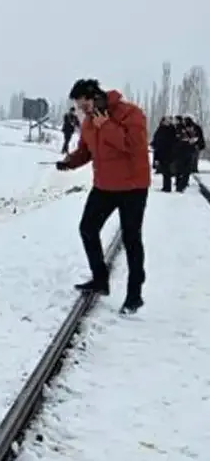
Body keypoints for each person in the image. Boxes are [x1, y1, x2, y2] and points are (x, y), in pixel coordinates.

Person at [56, 79, 150, 313]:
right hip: (104, 186)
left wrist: (107, 125)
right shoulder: (89, 122)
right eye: (79, 107)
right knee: (87, 228)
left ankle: (134, 295)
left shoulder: (130, 113)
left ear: (96, 97)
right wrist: (70, 162)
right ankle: (100, 280)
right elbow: (86, 151)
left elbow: (133, 145)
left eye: (85, 105)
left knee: (131, 239)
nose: (83, 111)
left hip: (133, 187)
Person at [151, 116, 177, 192]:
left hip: (167, 152)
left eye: (167, 120)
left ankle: (167, 187)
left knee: (167, 171)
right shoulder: (161, 128)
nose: (167, 122)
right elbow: (156, 138)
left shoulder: (171, 129)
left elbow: (171, 140)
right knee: (164, 170)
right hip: (160, 152)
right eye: (165, 120)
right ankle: (165, 186)